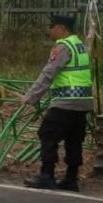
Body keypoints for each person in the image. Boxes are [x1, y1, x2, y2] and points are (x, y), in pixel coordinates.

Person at [20, 15, 94, 192]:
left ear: (61, 28)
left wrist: (30, 97)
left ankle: (47, 175)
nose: (49, 30)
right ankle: (71, 178)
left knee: (47, 135)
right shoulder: (79, 45)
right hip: (83, 102)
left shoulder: (63, 46)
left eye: (51, 27)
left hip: (66, 101)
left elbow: (48, 73)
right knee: (74, 140)